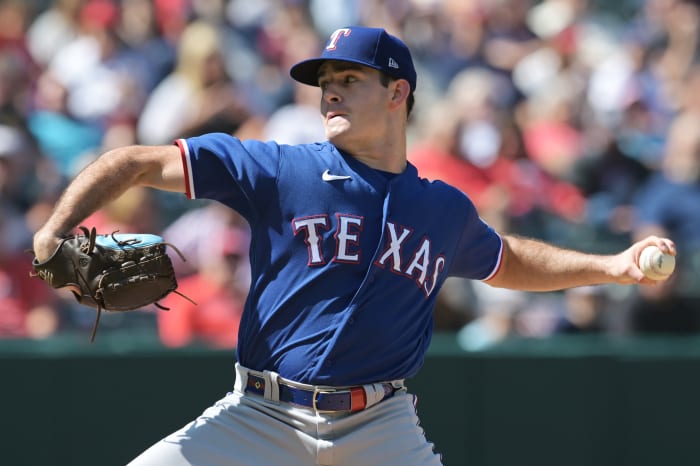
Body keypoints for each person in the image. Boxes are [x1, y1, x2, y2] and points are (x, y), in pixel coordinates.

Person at [32, 26, 676, 466]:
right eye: (325, 81)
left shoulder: (441, 208)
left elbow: (507, 261)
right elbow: (134, 162)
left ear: (399, 93)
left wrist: (611, 266)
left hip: (380, 427)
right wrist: (56, 229)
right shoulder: (282, 169)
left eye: (350, 78)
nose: (330, 90)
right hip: (261, 414)